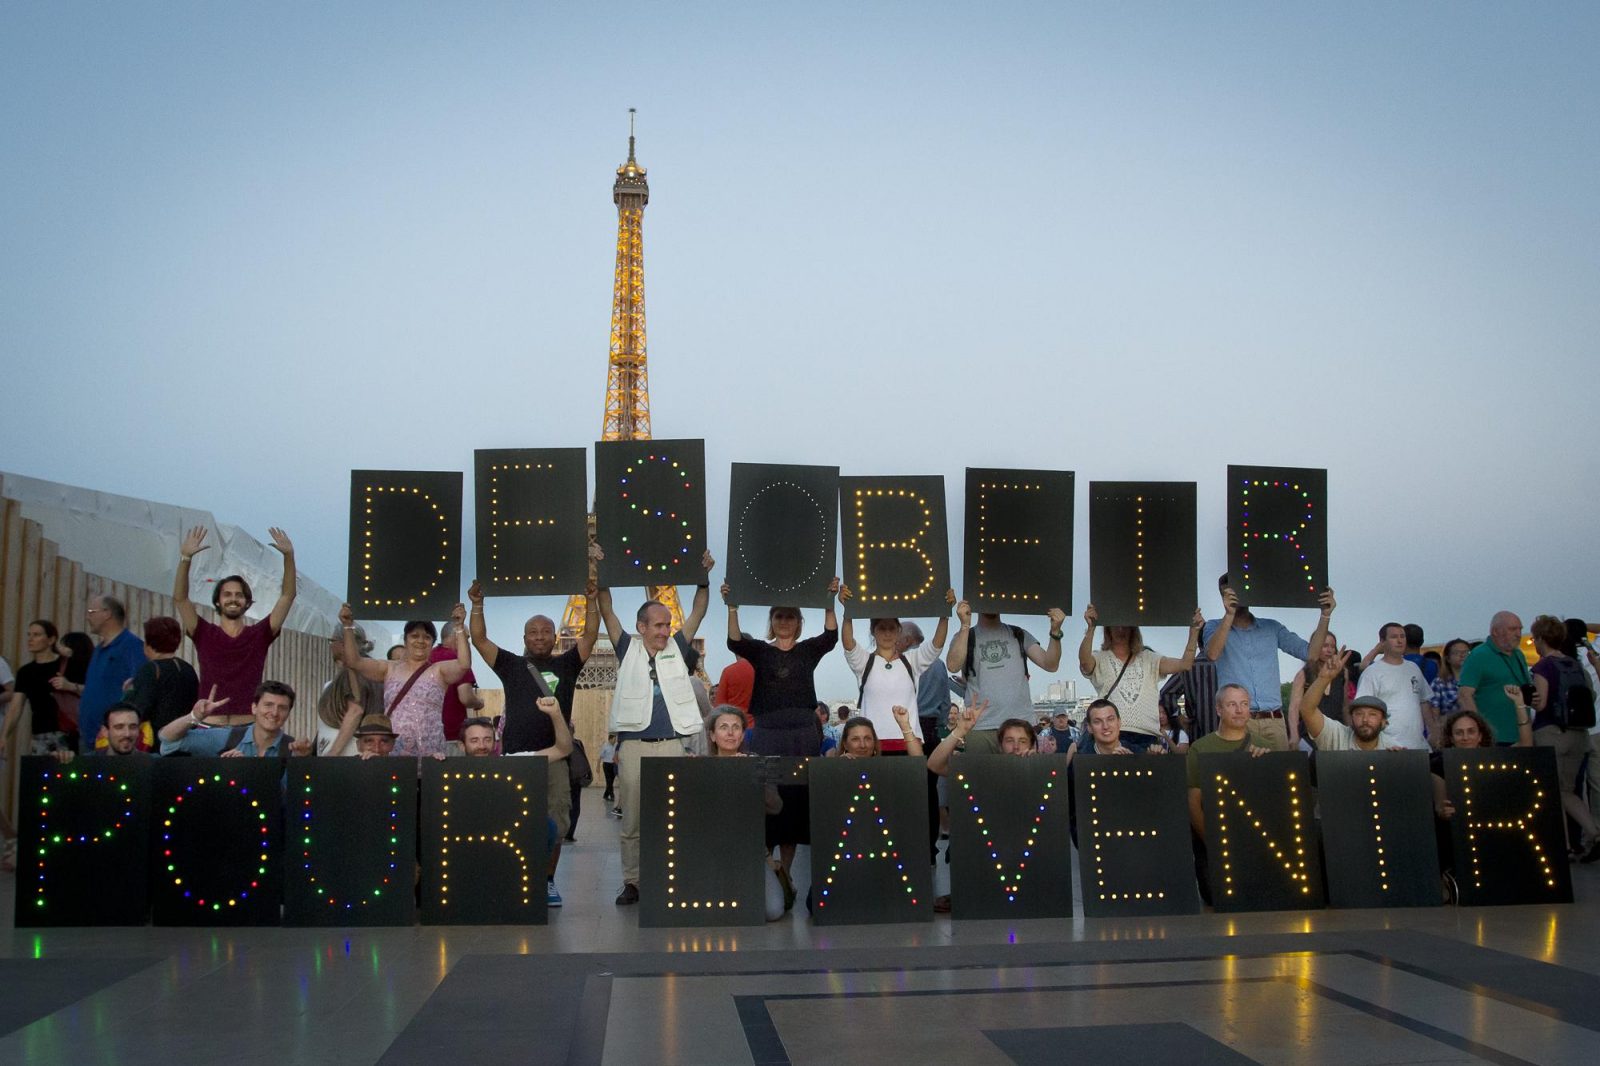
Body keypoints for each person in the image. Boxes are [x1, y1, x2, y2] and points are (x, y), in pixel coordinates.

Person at [468, 572, 601, 906]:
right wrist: (478, 605)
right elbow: (480, 640)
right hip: (516, 755)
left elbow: (590, 633)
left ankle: (547, 880)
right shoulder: (511, 665)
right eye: (533, 632)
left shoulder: (568, 664)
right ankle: (516, 876)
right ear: (524, 637)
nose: (540, 637)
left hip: (556, 756)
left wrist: (591, 600)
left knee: (555, 821)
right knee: (512, 820)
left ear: (555, 636)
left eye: (545, 631)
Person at [595, 551, 714, 905]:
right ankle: (633, 881)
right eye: (659, 625)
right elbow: (606, 608)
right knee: (632, 818)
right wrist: (603, 569)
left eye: (667, 624)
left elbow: (698, 610)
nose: (666, 630)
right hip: (635, 745)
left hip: (673, 745)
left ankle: (666, 877)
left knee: (672, 817)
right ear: (642, 627)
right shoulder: (625, 648)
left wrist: (703, 577)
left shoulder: (678, 649)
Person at [722, 576, 841, 878]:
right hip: (767, 737)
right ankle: (765, 867)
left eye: (790, 616)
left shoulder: (808, 650)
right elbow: (734, 641)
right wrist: (732, 607)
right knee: (766, 798)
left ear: (799, 621)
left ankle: (785, 874)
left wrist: (829, 601)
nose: (784, 621)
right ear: (771, 620)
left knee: (796, 805)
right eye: (779, 616)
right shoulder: (760, 650)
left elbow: (830, 636)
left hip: (802, 736)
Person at [173, 526, 297, 724]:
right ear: (218, 601)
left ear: (247, 602)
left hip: (247, 727)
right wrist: (185, 559)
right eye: (227, 594)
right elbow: (180, 599)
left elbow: (288, 596)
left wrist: (289, 556)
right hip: (208, 726)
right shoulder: (203, 632)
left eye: (239, 595)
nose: (233, 599)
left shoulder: (259, 634)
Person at [924, 703, 1034, 913]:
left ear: (1031, 744)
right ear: (1000, 745)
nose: (1016, 747)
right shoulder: (980, 768)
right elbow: (934, 764)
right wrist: (960, 730)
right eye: (1010, 741)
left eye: (1022, 741)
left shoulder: (1041, 769)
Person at [1203, 574, 1335, 748]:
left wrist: (1325, 615)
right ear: (1222, 595)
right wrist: (1229, 614)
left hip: (1274, 720)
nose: (1236, 596)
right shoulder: (1213, 626)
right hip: (1238, 720)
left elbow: (1310, 654)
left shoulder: (1271, 627)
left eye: (1239, 590)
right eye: (1227, 593)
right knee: (1240, 773)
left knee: (1277, 774)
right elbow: (1213, 654)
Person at [340, 604, 473, 758]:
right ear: (405, 640)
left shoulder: (438, 671)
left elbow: (464, 664)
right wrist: (348, 626)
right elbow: (354, 661)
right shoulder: (389, 669)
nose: (421, 641)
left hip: (432, 754)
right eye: (414, 636)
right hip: (395, 753)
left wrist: (459, 627)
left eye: (427, 637)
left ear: (432, 642)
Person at [839, 585, 955, 752]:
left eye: (891, 628)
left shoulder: (911, 661)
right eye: (882, 628)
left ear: (899, 631)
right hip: (872, 746)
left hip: (908, 744)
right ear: (873, 631)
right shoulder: (864, 662)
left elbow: (937, 645)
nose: (887, 633)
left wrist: (945, 615)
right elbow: (848, 643)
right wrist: (847, 613)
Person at [1077, 604, 1202, 752]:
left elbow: (1185, 664)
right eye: (1116, 625)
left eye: (1125, 626)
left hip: (1148, 737)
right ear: (1108, 629)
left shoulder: (1149, 658)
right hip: (1114, 736)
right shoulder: (1100, 658)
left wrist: (1194, 632)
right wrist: (1090, 629)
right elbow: (1085, 662)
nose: (1121, 629)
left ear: (1133, 629)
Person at [946, 601, 1066, 753]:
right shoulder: (965, 637)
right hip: (980, 727)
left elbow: (1050, 664)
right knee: (982, 775)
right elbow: (953, 665)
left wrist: (1055, 632)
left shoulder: (1019, 634)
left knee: (1021, 776)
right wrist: (964, 626)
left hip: (1020, 727)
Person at [704, 707, 789, 919]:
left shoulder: (760, 762)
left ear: (743, 734)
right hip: (710, 853)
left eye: (736, 727)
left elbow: (775, 806)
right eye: (723, 727)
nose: (730, 733)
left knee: (773, 910)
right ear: (713, 735)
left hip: (751, 852)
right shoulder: (702, 767)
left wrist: (749, 774)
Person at [1528, 615, 1600, 861]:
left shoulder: (1542, 667)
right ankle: (1594, 832)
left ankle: (1563, 846)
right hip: (1579, 733)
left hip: (1551, 732)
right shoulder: (1574, 664)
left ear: (1540, 639)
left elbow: (1542, 703)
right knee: (1569, 791)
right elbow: (1590, 696)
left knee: (1553, 792)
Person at [70, 596, 144, 753]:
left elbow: (139, 688)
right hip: (88, 736)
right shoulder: (98, 649)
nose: (88, 616)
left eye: (91, 612)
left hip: (113, 742)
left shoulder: (131, 646)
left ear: (107, 614)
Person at [158, 682, 309, 757]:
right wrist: (194, 716)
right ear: (254, 708)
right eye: (268, 705)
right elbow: (168, 739)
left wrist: (304, 761)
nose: (274, 712)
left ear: (289, 713)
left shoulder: (293, 750)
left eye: (282, 708)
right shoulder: (228, 738)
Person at [1354, 622, 1438, 750]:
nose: (1399, 641)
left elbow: (1424, 702)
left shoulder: (1413, 668)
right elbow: (1363, 708)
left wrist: (1433, 731)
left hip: (1418, 745)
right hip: (1387, 747)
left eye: (1402, 636)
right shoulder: (1372, 672)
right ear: (1382, 641)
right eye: (1394, 637)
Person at [1457, 612, 1532, 747]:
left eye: (1520, 629)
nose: (1518, 634)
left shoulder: (1519, 655)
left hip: (1521, 737)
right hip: (1494, 739)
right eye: (1512, 629)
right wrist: (1479, 731)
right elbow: (1464, 694)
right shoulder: (1479, 655)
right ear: (1495, 631)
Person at [1296, 647, 1388, 752]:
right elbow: (1307, 709)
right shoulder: (1336, 735)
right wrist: (1323, 678)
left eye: (1372, 714)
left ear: (1384, 721)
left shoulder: (1392, 748)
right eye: (1359, 713)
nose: (1365, 719)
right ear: (1351, 717)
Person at [1, 620, 69, 758]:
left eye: (36, 635)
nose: (30, 639)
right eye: (29, 635)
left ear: (51, 640)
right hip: (40, 733)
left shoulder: (64, 665)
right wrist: (3, 736)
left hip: (66, 731)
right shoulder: (26, 672)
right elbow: (15, 707)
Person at [313, 625, 384, 757]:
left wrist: (334, 752)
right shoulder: (372, 669)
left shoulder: (354, 670)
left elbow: (355, 711)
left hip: (347, 756)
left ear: (342, 643)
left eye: (332, 641)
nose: (331, 646)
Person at [123, 616, 199, 735]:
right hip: (185, 738)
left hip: (158, 742)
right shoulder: (188, 668)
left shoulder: (150, 670)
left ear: (149, 643)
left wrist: (130, 692)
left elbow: (138, 710)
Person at [433, 618, 486, 750]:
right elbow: (466, 697)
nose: (468, 643)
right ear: (458, 636)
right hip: (452, 737)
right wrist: (479, 703)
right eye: (466, 638)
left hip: (427, 734)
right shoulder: (459, 661)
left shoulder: (428, 657)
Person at [1288, 631, 1351, 733]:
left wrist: (1350, 733)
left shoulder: (1342, 674)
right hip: (1309, 733)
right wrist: (1294, 735)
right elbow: (1294, 708)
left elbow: (1345, 707)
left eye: (1332, 646)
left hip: (1336, 732)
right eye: (1325, 646)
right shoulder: (1303, 674)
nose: (1329, 650)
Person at [837, 707, 923, 759]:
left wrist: (905, 726)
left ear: (874, 742)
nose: (862, 745)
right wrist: (839, 766)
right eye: (855, 739)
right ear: (845, 744)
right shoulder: (834, 772)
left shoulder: (887, 769)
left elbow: (918, 763)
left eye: (867, 738)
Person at [1430, 638, 1471, 716]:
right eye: (1456, 653)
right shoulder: (1438, 683)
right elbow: (1434, 715)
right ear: (1448, 658)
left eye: (1466, 652)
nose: (1462, 655)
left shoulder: (1480, 680)